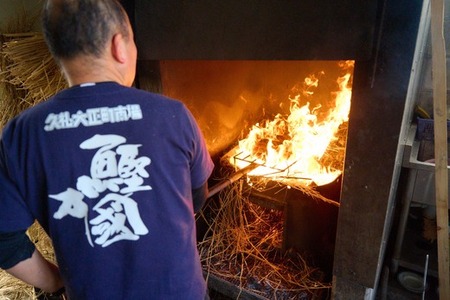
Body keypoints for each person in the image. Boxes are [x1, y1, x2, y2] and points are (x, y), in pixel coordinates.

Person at [0, 0, 214, 299]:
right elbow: (197, 196)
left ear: (58, 53)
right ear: (120, 46)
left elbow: (5, 240)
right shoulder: (173, 116)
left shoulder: (23, 133)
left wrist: (55, 282)